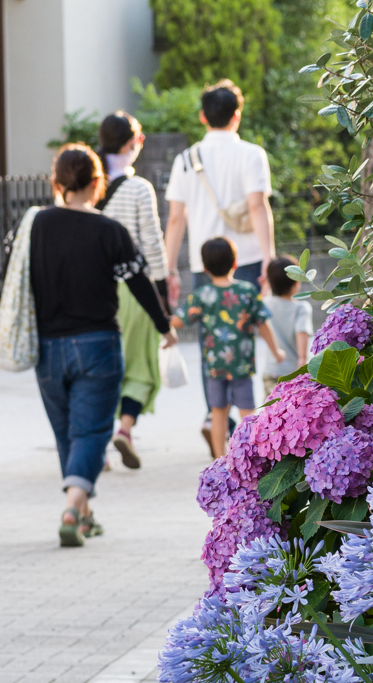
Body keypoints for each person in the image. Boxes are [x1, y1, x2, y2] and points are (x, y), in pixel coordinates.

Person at [32, 144, 178, 548]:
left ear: (55, 183)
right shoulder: (109, 231)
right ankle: (72, 506)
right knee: (93, 431)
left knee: (66, 432)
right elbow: (138, 281)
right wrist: (163, 325)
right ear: (98, 184)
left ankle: (82, 515)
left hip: (47, 346)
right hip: (97, 344)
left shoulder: (35, 226)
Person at [163, 79, 276, 450]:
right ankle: (245, 426)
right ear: (237, 115)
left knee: (210, 339)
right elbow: (258, 207)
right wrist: (269, 257)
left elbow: (176, 218)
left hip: (203, 264)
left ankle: (215, 415)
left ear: (202, 117)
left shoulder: (185, 159)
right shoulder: (252, 154)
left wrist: (169, 267)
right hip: (246, 259)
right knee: (244, 337)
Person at [96, 111, 169, 470]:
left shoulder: (87, 183)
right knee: (140, 365)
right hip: (135, 288)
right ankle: (124, 430)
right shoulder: (139, 188)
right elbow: (151, 243)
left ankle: (96, 445)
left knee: (104, 365)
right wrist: (162, 286)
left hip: (96, 290)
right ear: (131, 144)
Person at [170, 237, 285, 459]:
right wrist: (276, 351)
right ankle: (251, 455)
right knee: (247, 413)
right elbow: (263, 324)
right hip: (241, 365)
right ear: (235, 263)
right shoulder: (247, 291)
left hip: (215, 367)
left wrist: (165, 318)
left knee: (218, 413)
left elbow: (178, 321)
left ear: (204, 268)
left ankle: (220, 460)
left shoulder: (201, 295)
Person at [262, 256, 313, 396]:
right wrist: (303, 365)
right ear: (296, 283)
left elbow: (259, 306)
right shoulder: (301, 309)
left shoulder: (265, 304)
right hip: (292, 374)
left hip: (271, 372)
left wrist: (266, 284)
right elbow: (302, 336)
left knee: (270, 414)